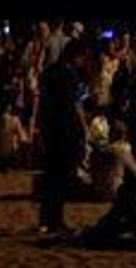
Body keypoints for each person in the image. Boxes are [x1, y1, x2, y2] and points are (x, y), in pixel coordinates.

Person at [37, 39, 90, 234]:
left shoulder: (50, 71)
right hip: (66, 129)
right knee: (62, 176)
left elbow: (43, 100)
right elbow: (76, 103)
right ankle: (56, 220)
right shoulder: (69, 74)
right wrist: (84, 128)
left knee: (51, 174)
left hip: (51, 128)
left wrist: (40, 127)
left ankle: (46, 218)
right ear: (76, 55)